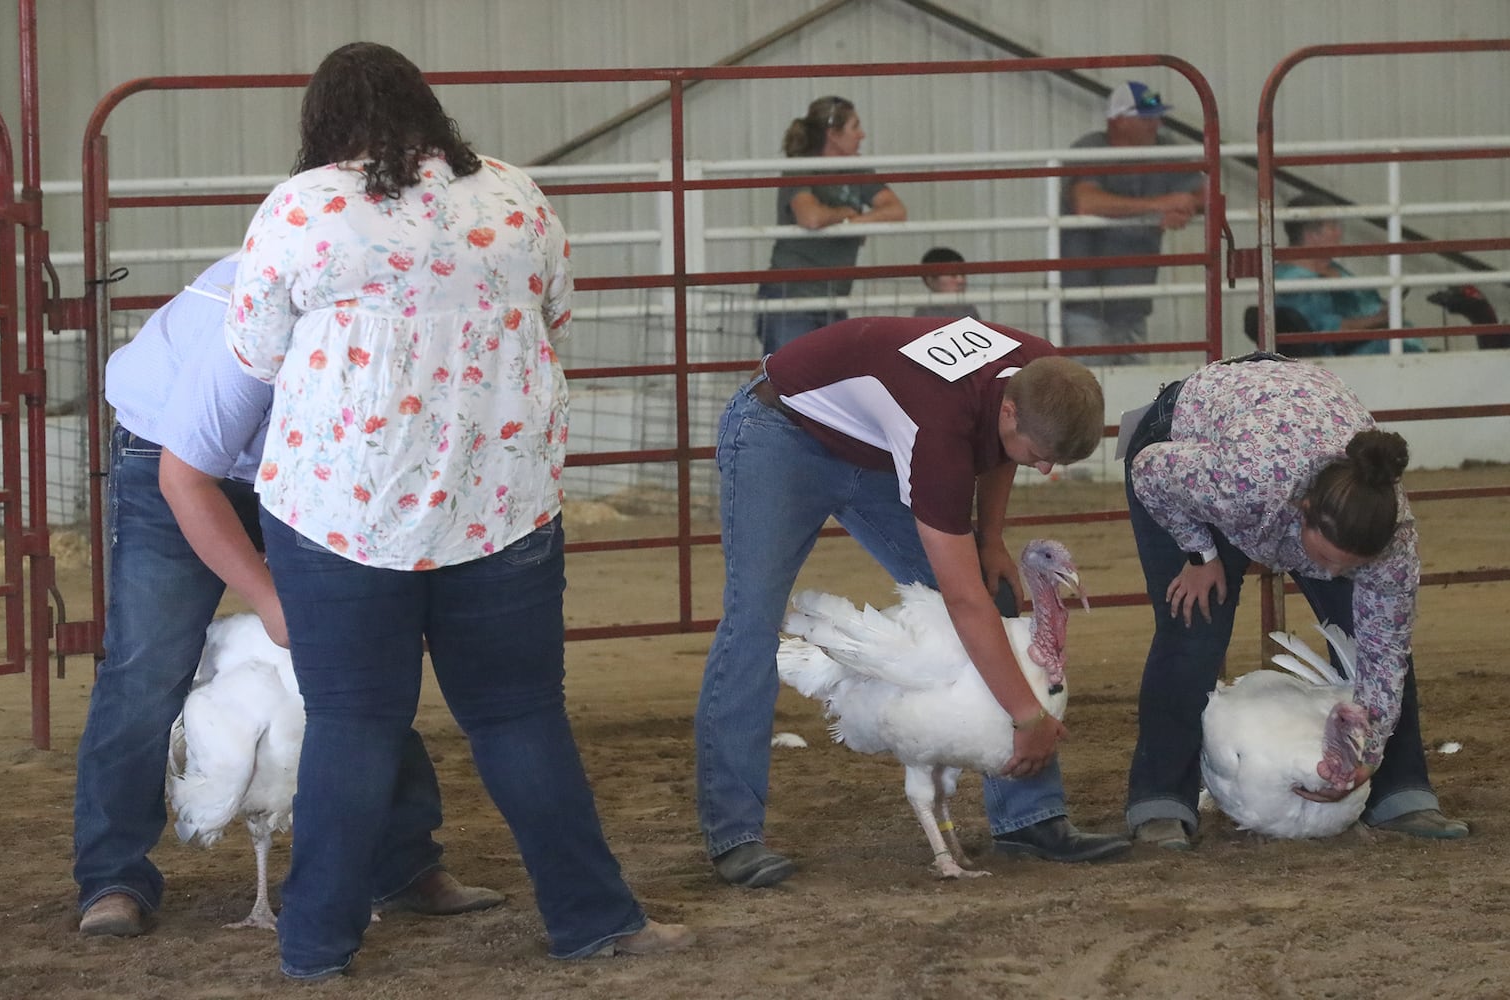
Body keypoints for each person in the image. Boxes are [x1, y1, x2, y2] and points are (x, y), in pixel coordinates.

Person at [223, 42, 692, 979]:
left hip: (339, 514)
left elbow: (255, 351)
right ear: (427, 110)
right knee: (520, 718)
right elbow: (556, 316)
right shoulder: (516, 197)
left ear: (324, 121)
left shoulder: (303, 207)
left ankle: (315, 943)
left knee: (352, 725)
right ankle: (595, 918)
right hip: (499, 502)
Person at [73, 256, 503, 938]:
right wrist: (270, 600)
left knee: (355, 659)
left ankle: (402, 861)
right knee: (148, 667)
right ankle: (113, 877)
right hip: (170, 455)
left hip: (299, 460)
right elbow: (189, 481)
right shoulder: (250, 307)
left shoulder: (399, 310)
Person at [696, 314, 1130, 889]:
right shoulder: (940, 429)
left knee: (994, 587)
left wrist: (993, 537)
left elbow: (1003, 453)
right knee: (751, 622)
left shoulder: (1040, 373)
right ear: (1010, 411)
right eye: (1041, 455)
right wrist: (1028, 717)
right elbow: (961, 599)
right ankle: (735, 835)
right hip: (780, 433)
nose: (1045, 469)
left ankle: (1030, 818)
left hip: (876, 444)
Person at [1122, 353, 1469, 850]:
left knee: (1364, 635)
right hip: (1193, 452)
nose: (1331, 574)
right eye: (1326, 558)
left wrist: (1364, 756)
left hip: (1284, 431)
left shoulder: (1392, 544)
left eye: (1349, 566)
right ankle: (1160, 800)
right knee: (1192, 626)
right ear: (1302, 514)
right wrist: (1199, 555)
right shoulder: (1245, 484)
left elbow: (1384, 658)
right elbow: (1150, 470)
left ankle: (1398, 791)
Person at [1059, 81, 1204, 364]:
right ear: (1119, 120)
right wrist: (1162, 204)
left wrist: (1185, 205)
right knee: (1094, 387)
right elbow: (1086, 203)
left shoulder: (1162, 149)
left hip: (1130, 300)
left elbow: (1206, 196)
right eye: (1146, 116)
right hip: (1086, 301)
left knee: (1109, 388)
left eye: (1156, 116)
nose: (1155, 123)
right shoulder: (1092, 148)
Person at [755, 96, 908, 354]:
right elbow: (810, 217)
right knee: (790, 380)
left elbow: (896, 210)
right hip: (793, 295)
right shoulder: (801, 168)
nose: (862, 134)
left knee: (819, 381)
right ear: (833, 134)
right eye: (854, 127)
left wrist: (852, 220)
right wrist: (847, 214)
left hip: (832, 296)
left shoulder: (857, 170)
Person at [1275, 192, 1426, 355]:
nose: (1339, 233)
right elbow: (1326, 331)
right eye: (1333, 226)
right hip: (1355, 354)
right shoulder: (1293, 280)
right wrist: (1381, 319)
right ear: (1312, 234)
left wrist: (1384, 310)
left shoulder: (1330, 267)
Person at [913, 246, 982, 320]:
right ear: (929, 279)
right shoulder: (924, 314)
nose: (961, 280)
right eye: (953, 274)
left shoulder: (969, 310)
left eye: (963, 274)